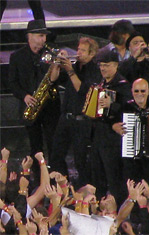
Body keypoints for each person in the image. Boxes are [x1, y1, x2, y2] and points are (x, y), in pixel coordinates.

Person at [8, 19, 63, 184]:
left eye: (44, 36)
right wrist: (24, 96)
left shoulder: (51, 54)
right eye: (40, 36)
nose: (43, 40)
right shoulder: (17, 57)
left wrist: (57, 67)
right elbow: (12, 82)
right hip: (30, 107)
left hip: (50, 107)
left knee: (54, 145)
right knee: (35, 147)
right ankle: (39, 182)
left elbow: (55, 80)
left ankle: (57, 181)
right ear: (29, 36)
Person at [49, 37, 102, 187]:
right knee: (56, 156)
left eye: (83, 50)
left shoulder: (95, 70)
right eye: (78, 49)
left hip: (82, 121)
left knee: (80, 160)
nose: (78, 53)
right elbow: (53, 79)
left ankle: (84, 192)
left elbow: (82, 90)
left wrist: (70, 70)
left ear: (92, 54)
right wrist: (56, 64)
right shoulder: (73, 66)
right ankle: (62, 187)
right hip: (65, 119)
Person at [90, 49, 132, 202]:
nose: (103, 69)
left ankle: (118, 209)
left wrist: (112, 104)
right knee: (97, 175)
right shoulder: (101, 83)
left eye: (106, 65)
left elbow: (129, 109)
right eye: (101, 65)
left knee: (113, 178)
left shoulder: (123, 85)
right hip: (99, 138)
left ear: (115, 66)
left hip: (113, 140)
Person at [113, 78, 149, 201]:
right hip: (131, 160)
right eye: (136, 91)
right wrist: (114, 126)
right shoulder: (125, 108)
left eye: (143, 90)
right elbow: (112, 123)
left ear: (148, 91)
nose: (139, 94)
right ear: (131, 91)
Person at [118, 31, 149, 106]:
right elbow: (120, 75)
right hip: (130, 105)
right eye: (136, 43)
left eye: (142, 42)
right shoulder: (125, 64)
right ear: (129, 48)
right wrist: (134, 57)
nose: (140, 45)